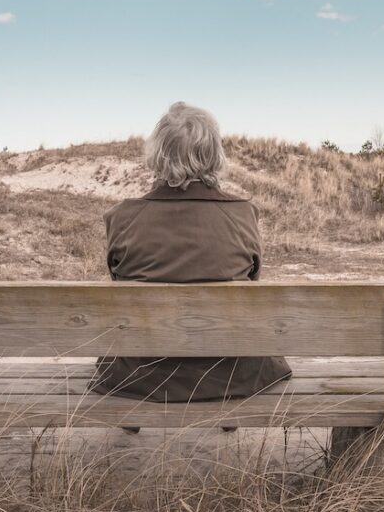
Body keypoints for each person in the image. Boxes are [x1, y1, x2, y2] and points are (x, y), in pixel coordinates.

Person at [89, 101, 292, 405]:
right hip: (232, 373)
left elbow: (119, 282)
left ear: (158, 155)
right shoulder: (243, 215)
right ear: (214, 154)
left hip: (142, 377)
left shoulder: (122, 217)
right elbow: (252, 282)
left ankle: (131, 420)